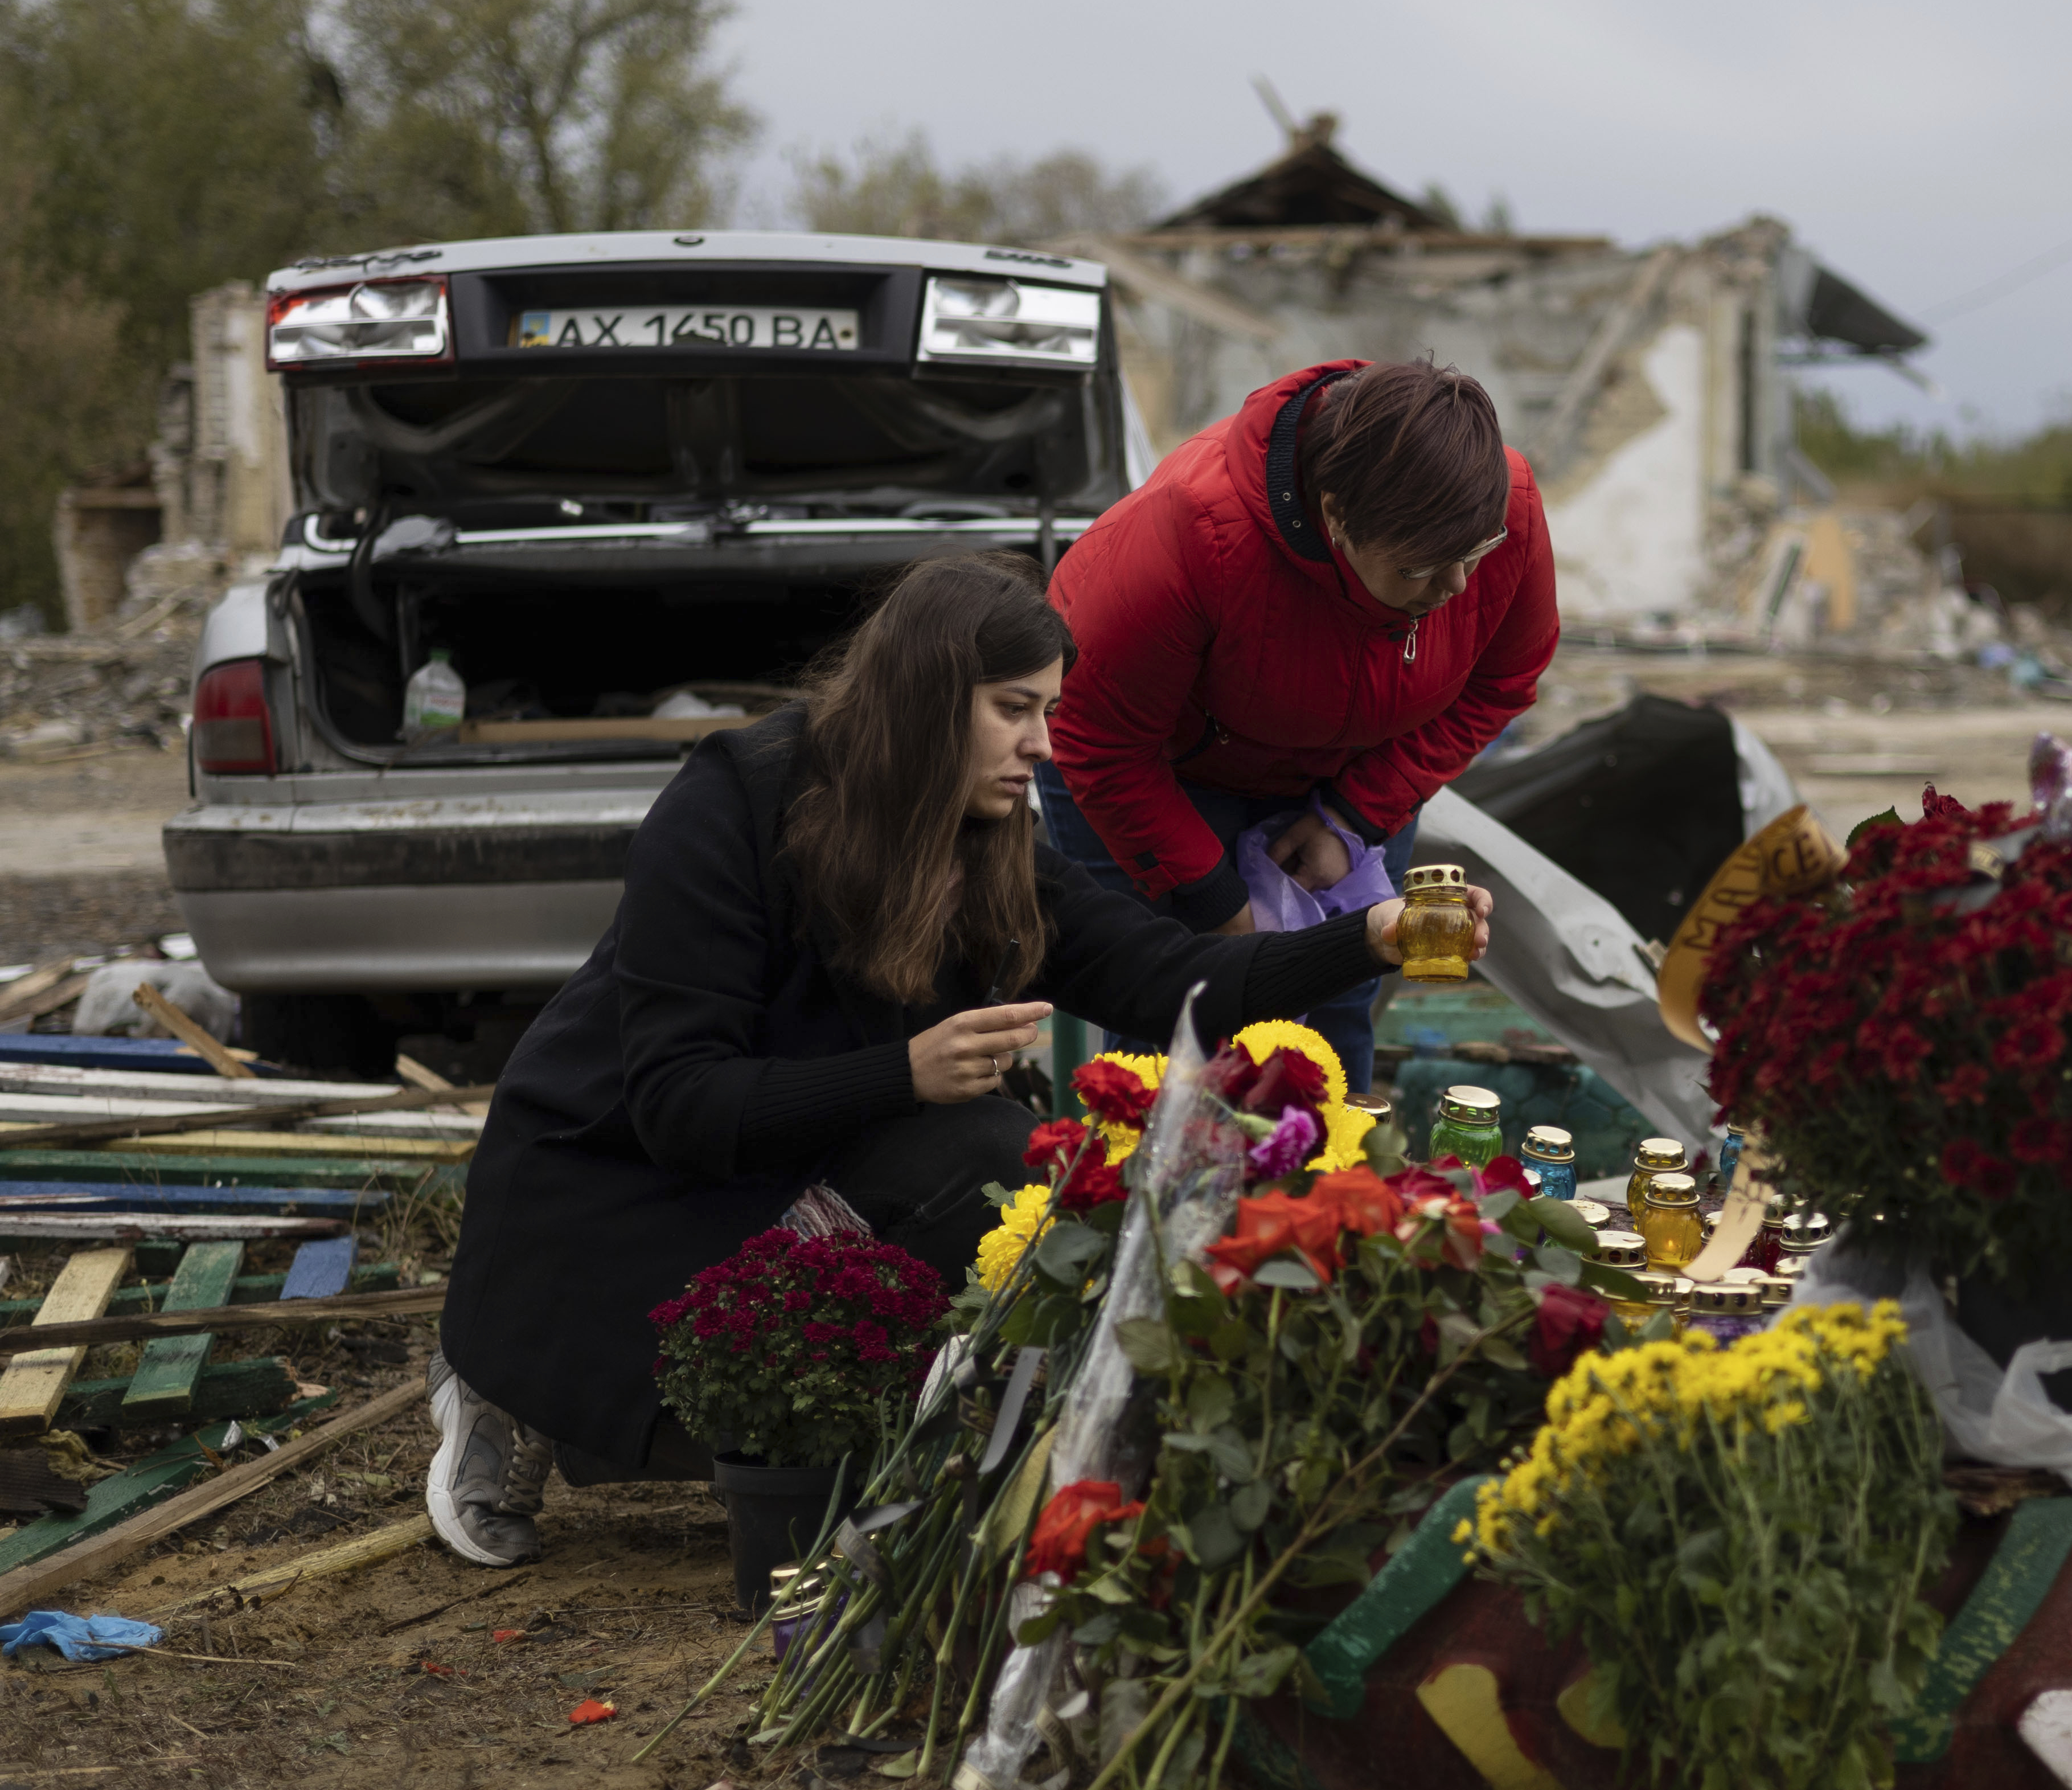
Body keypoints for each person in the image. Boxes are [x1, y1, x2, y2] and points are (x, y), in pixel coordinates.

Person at [424, 553, 1490, 1568]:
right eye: (1014, 709)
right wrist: (904, 1073)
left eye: (1051, 714)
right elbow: (675, 1102)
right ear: (926, 698)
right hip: (615, 1198)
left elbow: (1167, 979)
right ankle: (513, 1383)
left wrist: (1370, 936)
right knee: (961, 1171)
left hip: (795, 1172)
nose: (1042, 747)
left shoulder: (986, 837)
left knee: (948, 1290)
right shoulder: (732, 804)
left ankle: (634, 1413)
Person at [1039, 358, 1556, 1085]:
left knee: (1335, 1010)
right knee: (1179, 1024)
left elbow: (1502, 679)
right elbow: (1100, 740)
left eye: (1474, 557)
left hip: (1349, 771)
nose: (1457, 587)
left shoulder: (1502, 507)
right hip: (1156, 774)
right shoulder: (1193, 530)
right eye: (1418, 569)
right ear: (1337, 516)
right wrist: (1224, 912)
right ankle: (1149, 1197)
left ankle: (1324, 1193)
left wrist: (1351, 817)